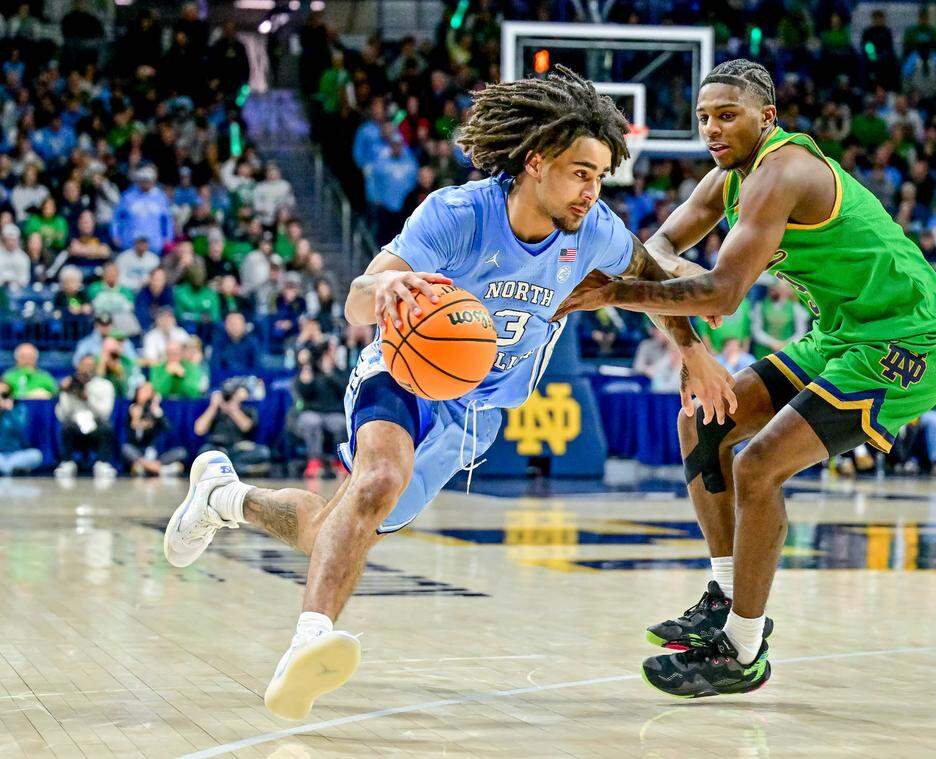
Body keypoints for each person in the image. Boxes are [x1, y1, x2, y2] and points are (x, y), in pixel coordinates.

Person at [161, 66, 724, 719]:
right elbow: (355, 301)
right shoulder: (458, 214)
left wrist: (692, 350)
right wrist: (384, 291)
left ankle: (225, 498)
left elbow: (647, 275)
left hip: (474, 417)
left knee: (334, 528)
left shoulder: (592, 229)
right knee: (377, 479)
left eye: (599, 177)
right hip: (402, 371)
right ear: (536, 162)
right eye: (579, 172)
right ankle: (307, 643)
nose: (590, 191)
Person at [554, 59, 936, 697]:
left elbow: (720, 293)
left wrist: (618, 292)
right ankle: (724, 590)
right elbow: (659, 247)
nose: (712, 129)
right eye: (704, 118)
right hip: (840, 331)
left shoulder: (784, 171)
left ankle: (743, 649)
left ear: (767, 119)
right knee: (702, 421)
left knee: (758, 466)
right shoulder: (725, 179)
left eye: (727, 116)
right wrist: (636, 276)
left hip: (904, 340)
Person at [55, 355, 116, 479]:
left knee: (107, 427)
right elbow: (62, 416)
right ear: (78, 366)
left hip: (96, 424)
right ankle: (67, 462)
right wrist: (66, 393)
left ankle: (102, 463)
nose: (86, 369)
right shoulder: (70, 384)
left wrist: (88, 399)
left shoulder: (105, 385)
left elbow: (105, 414)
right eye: (84, 365)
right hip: (75, 424)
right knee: (66, 427)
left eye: (90, 366)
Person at [191, 380, 270, 475]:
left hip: (238, 448)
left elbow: (246, 427)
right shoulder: (214, 411)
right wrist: (213, 406)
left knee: (263, 452)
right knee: (203, 453)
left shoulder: (247, 410)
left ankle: (229, 469)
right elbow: (199, 430)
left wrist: (233, 409)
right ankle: (243, 469)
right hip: (217, 447)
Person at [291, 342, 346, 479]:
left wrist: (330, 374)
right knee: (311, 422)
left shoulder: (339, 372)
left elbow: (344, 391)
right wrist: (306, 382)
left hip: (333, 413)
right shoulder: (308, 372)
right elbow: (303, 395)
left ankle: (339, 461)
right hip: (311, 412)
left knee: (341, 424)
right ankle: (314, 461)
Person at [122, 381, 186, 477]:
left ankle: (145, 468)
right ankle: (161, 470)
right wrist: (135, 421)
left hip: (156, 454)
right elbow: (133, 440)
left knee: (181, 452)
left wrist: (157, 412)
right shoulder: (131, 410)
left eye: (148, 391)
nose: (145, 394)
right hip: (140, 453)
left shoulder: (155, 410)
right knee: (126, 449)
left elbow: (169, 430)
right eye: (143, 391)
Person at [0, 379, 41, 475]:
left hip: (17, 454)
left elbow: (22, 432)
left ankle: (6, 468)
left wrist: (10, 411)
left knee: (36, 455)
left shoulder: (20, 409)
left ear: (10, 396)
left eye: (4, 395)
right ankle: (11, 468)